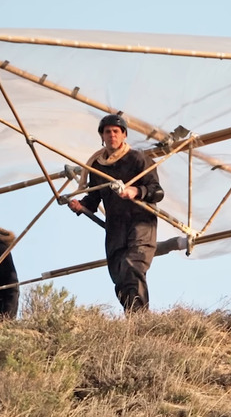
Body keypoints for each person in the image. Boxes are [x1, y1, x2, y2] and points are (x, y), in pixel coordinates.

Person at [68, 114, 165, 313]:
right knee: (119, 274)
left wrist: (136, 191)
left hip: (140, 222)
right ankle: (132, 317)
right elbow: (93, 200)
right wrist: (80, 206)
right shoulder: (97, 166)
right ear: (102, 136)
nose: (112, 135)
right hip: (115, 228)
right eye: (107, 132)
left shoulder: (138, 159)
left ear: (124, 135)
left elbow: (157, 191)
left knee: (133, 265)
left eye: (116, 131)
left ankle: (139, 318)